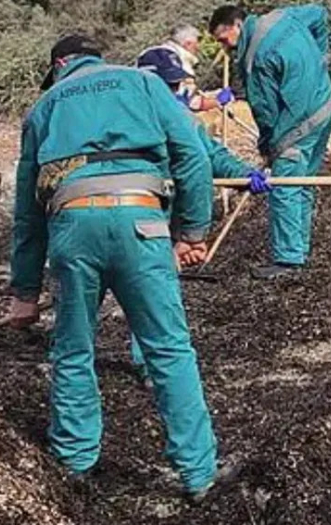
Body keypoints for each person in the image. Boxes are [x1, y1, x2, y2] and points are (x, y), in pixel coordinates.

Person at [9, 34, 233, 501]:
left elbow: (27, 208)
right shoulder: (144, 84)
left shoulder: (45, 105)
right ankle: (198, 474)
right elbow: (191, 155)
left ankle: (74, 461)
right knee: (169, 350)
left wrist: (24, 292)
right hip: (141, 223)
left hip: (71, 228)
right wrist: (193, 232)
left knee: (72, 349)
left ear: (60, 65)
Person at [127, 45, 271, 386]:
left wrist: (244, 174)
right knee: (145, 289)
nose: (175, 93)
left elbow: (211, 155)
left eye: (177, 86)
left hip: (162, 216)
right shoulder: (125, 118)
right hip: (136, 211)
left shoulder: (182, 120)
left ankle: (150, 363)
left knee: (153, 291)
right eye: (169, 86)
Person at [210, 4, 331, 280]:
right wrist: (321, 59)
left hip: (297, 123)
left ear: (237, 26)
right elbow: (319, 14)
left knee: (285, 185)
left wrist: (268, 147)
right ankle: (300, 250)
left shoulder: (255, 59)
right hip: (325, 106)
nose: (225, 48)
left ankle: (289, 260)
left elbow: (265, 110)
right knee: (302, 183)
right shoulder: (282, 17)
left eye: (223, 39)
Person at [136, 24, 235, 113]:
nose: (198, 48)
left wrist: (212, 95)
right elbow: (191, 102)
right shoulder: (178, 60)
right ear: (188, 44)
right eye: (196, 43)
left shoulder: (149, 53)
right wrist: (218, 100)